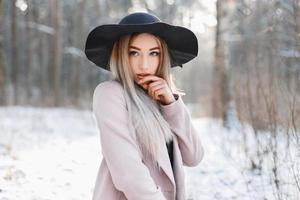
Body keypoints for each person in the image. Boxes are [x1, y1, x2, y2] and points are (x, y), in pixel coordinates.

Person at [84, 12, 204, 200]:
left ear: (162, 57)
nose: (144, 64)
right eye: (134, 53)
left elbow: (194, 156)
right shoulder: (110, 94)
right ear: (121, 55)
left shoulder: (162, 97)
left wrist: (170, 103)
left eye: (153, 53)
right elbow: (128, 174)